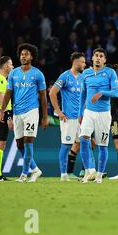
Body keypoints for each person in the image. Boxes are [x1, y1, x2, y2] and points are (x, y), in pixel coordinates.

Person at [0, 43, 48, 183]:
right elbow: (8, 93)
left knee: (28, 141)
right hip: (17, 112)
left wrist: (45, 117)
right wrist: (2, 110)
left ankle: (24, 174)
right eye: (21, 54)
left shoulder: (38, 74)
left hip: (31, 111)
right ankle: (36, 170)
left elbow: (43, 96)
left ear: (31, 57)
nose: (23, 56)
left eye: (26, 54)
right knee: (19, 144)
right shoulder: (13, 73)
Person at [79, 48, 118, 184]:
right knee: (83, 139)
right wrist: (80, 113)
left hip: (103, 114)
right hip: (89, 112)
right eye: (96, 55)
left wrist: (101, 92)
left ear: (105, 60)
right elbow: (83, 94)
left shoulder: (110, 73)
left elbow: (116, 93)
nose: (98, 58)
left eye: (101, 56)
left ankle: (99, 175)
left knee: (102, 146)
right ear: (92, 58)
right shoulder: (86, 73)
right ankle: (89, 170)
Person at [49, 52, 86, 182]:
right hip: (68, 118)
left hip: (80, 119)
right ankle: (64, 175)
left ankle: (86, 171)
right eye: (82, 62)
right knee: (66, 146)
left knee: (85, 143)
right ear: (75, 62)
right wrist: (58, 111)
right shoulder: (65, 76)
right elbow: (52, 92)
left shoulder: (82, 78)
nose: (84, 64)